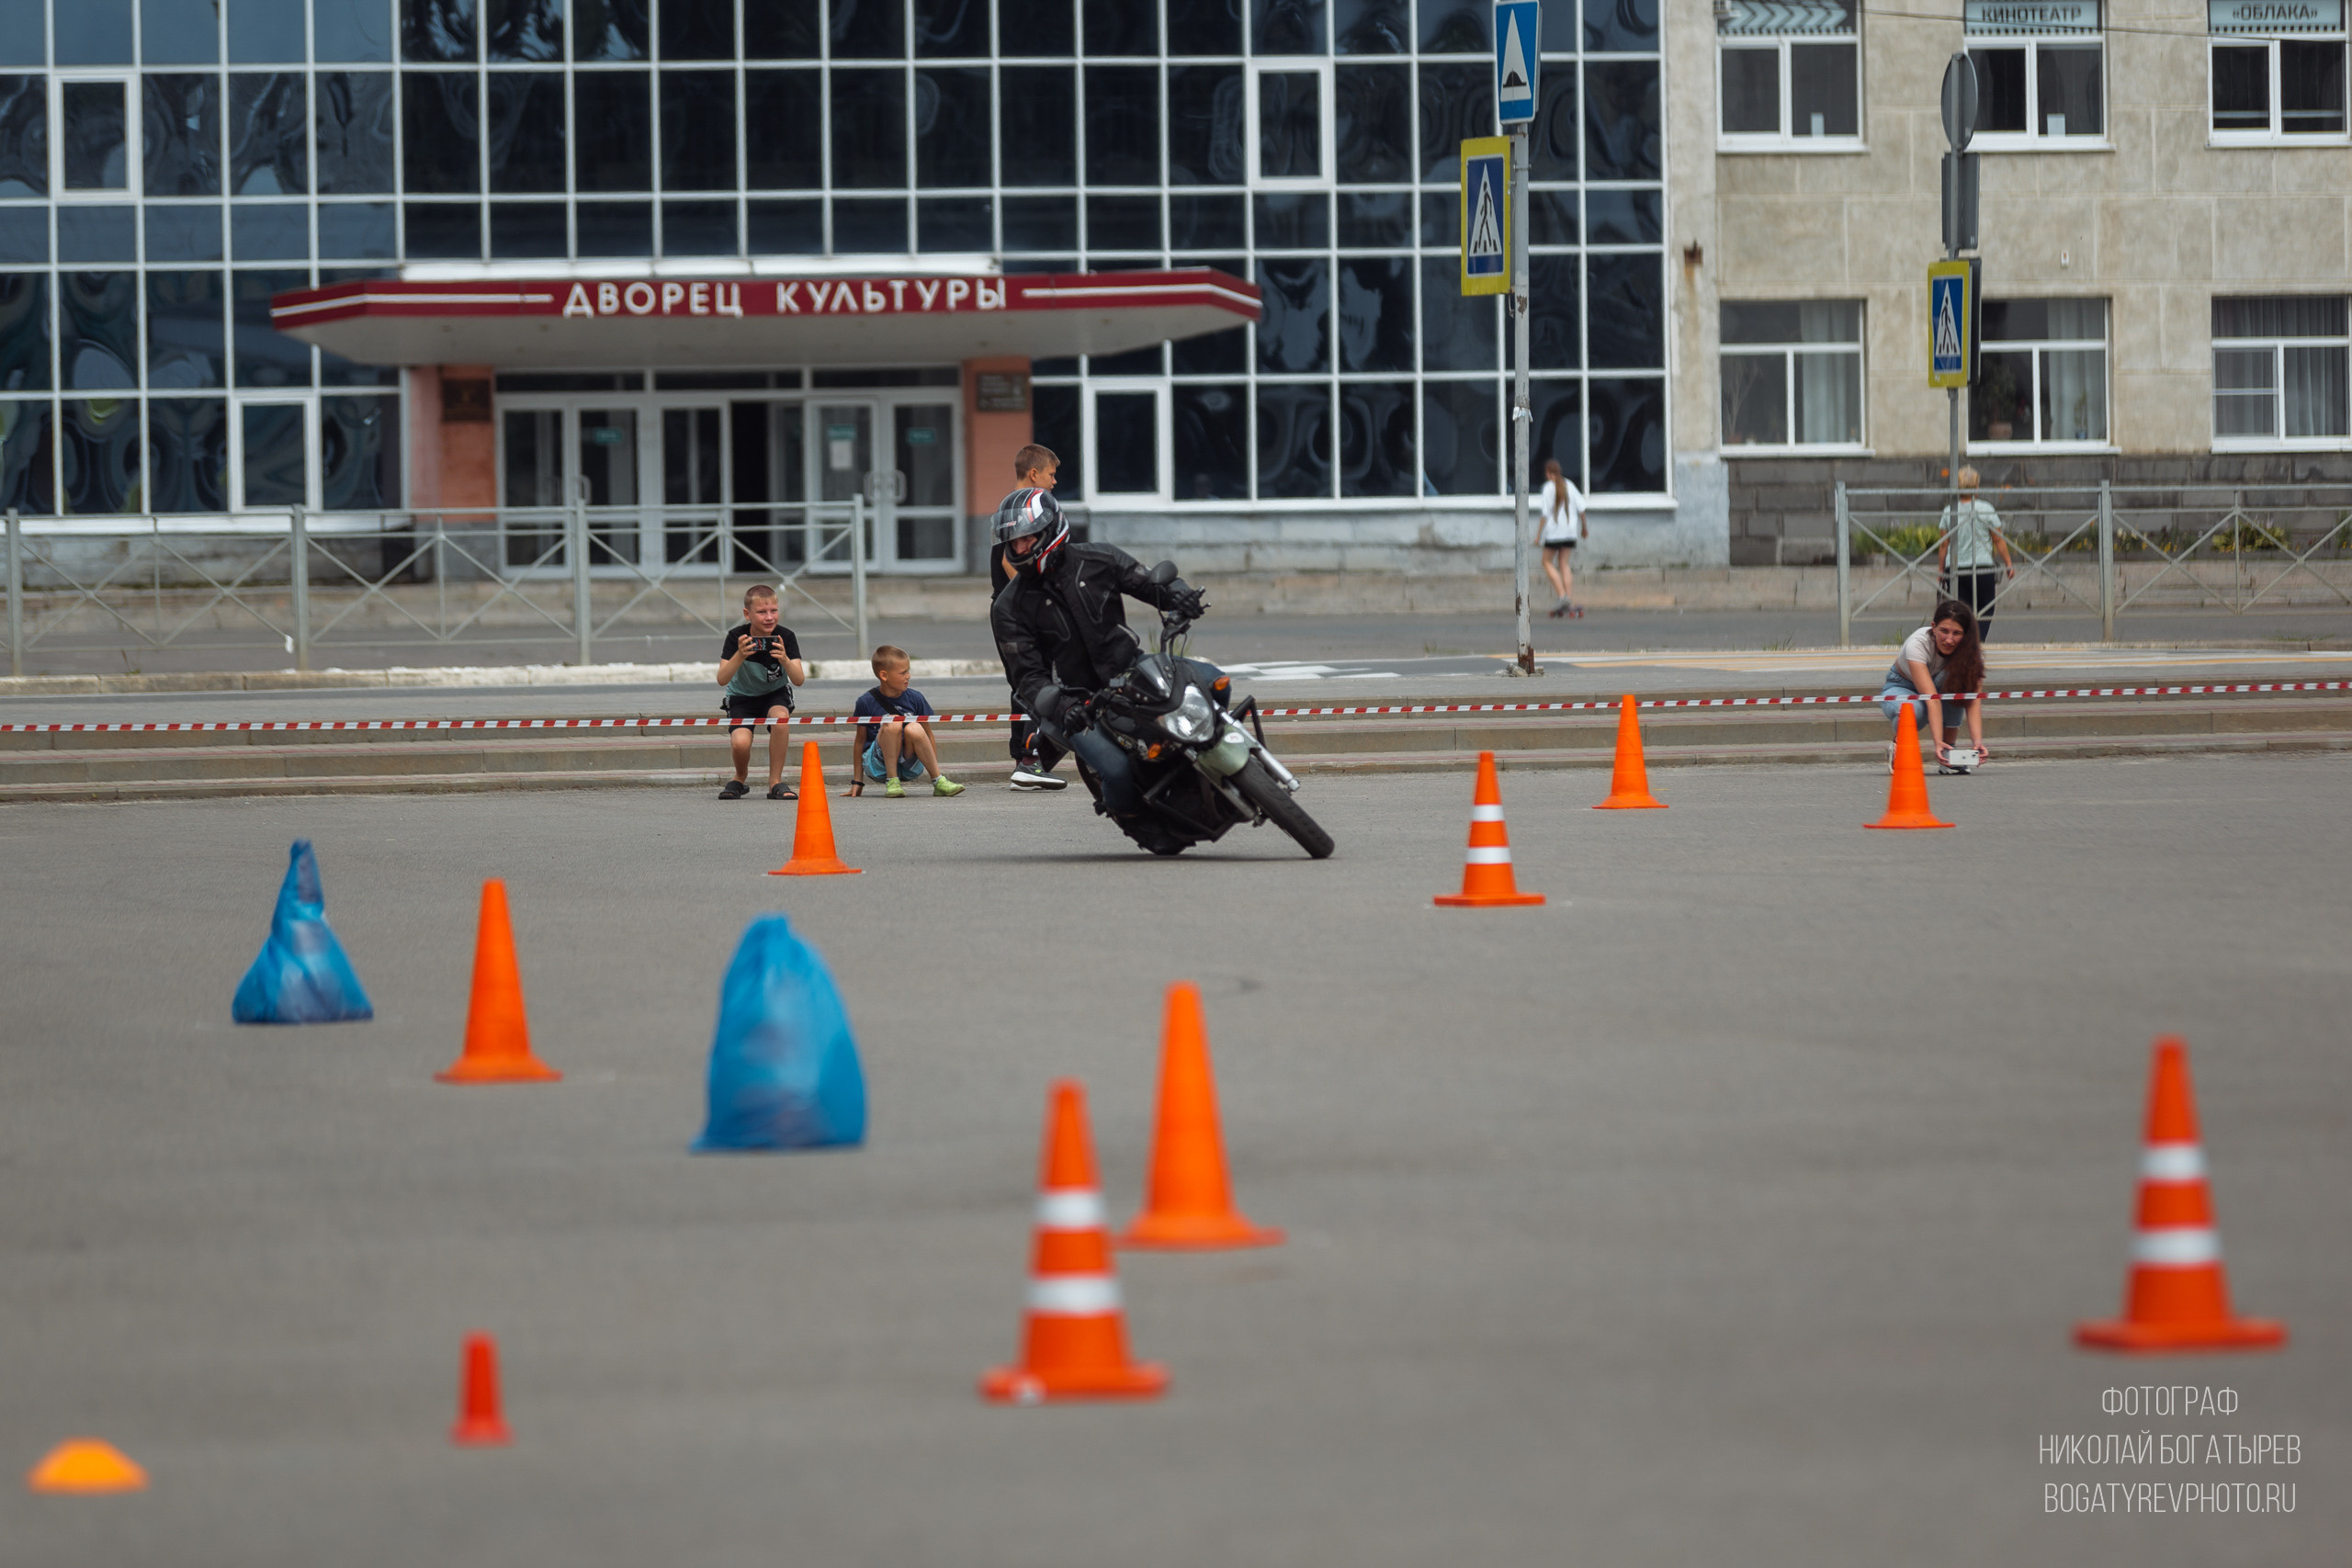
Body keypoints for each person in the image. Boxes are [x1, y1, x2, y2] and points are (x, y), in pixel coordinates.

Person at [989, 487, 1206, 842]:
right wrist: (1061, 707)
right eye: (1013, 543)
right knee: (1117, 771)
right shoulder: (1009, 607)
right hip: (1080, 701)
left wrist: (1178, 595)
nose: (1020, 549)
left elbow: (1148, 582)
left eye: (1026, 539)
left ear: (1049, 530)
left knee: (1213, 682)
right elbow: (1027, 677)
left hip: (1135, 669)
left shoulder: (1099, 558)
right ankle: (1135, 820)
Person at [991, 443, 1070, 792]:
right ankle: (1030, 761)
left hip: (1006, 611)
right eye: (1052, 474)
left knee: (1023, 686)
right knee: (1042, 683)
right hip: (1023, 615)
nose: (1055, 482)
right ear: (1035, 474)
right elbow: (1012, 563)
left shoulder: (1007, 507)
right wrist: (1032, 602)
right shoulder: (1026, 508)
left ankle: (1024, 762)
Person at [716, 583, 804, 800]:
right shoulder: (736, 636)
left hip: (775, 694)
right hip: (742, 697)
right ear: (747, 614)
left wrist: (784, 658)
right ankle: (740, 778)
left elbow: (799, 679)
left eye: (773, 611)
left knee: (780, 719)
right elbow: (722, 679)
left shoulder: (786, 637)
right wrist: (740, 655)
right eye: (762, 612)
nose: (769, 617)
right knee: (740, 742)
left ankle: (775, 781)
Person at [1881, 598, 1989, 774]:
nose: (1949, 640)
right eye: (1944, 631)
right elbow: (1932, 700)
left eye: (1957, 633)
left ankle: (1948, 752)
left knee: (1960, 682)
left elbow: (1973, 699)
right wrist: (1936, 741)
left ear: (1966, 634)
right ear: (1933, 627)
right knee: (1915, 711)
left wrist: (1977, 741)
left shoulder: (1971, 653)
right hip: (1902, 686)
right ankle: (1900, 746)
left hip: (1938, 688)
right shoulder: (1917, 644)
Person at [849, 645, 964, 799]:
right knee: (894, 722)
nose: (908, 676)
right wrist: (858, 781)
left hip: (908, 763)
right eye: (903, 673)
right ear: (884, 676)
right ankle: (892, 781)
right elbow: (860, 742)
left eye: (908, 671)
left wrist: (934, 769)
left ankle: (939, 782)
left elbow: (928, 735)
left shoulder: (916, 698)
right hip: (879, 765)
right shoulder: (865, 702)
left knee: (915, 727)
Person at [1938, 467, 2014, 640]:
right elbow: (1998, 539)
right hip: (1982, 568)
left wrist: (1940, 570)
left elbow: (1944, 545)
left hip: (1955, 569)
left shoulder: (1949, 510)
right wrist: (2008, 563)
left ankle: (1965, 646)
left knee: (1962, 613)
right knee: (1986, 609)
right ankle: (1977, 644)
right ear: (1977, 487)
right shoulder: (1986, 508)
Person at [1537, 458, 1587, 618]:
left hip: (1554, 532)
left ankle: (1562, 596)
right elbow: (1582, 508)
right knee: (1564, 564)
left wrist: (1538, 535)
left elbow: (1545, 514)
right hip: (1570, 531)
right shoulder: (1570, 485)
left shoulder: (1547, 488)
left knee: (1546, 561)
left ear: (1548, 473)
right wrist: (1584, 528)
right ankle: (1569, 601)